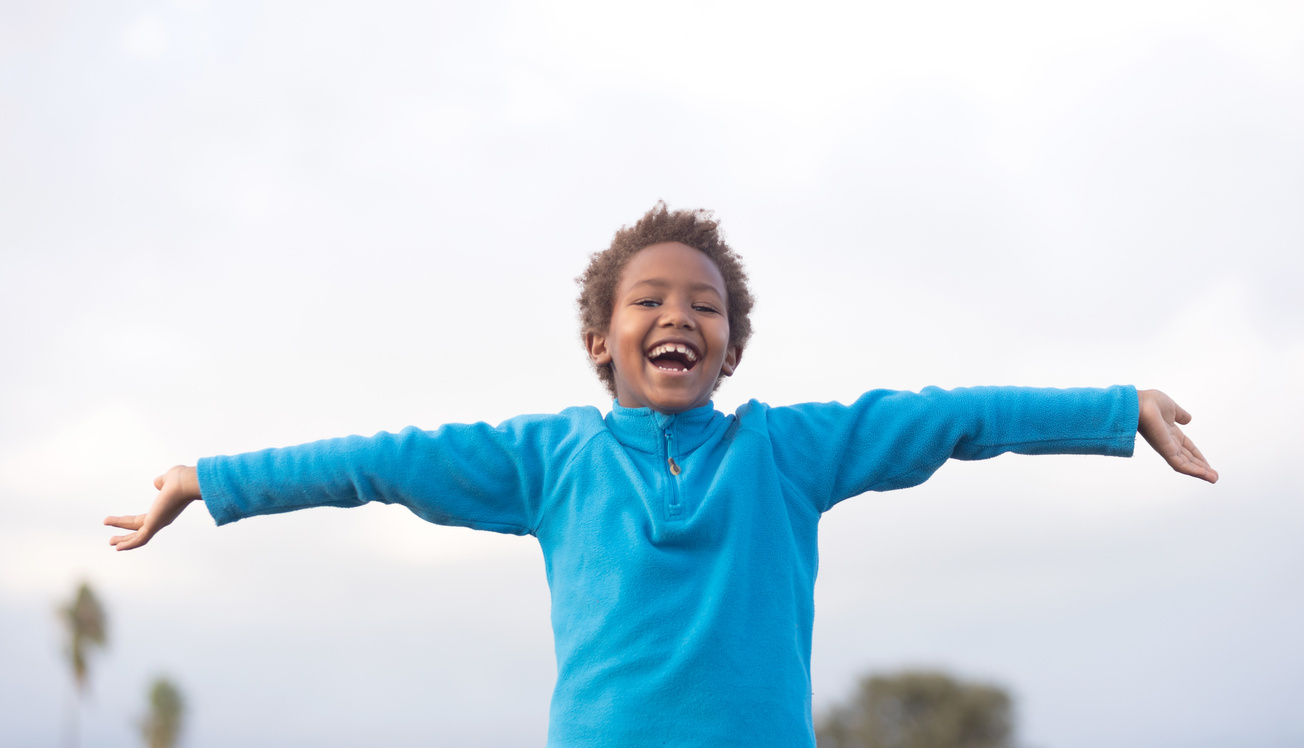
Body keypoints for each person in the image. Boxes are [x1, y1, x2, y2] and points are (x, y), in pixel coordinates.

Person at [105, 203, 1217, 747]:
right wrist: (209, 477)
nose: (677, 314)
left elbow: (947, 420)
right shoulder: (545, 460)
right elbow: (375, 464)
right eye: (649, 300)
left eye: (705, 306)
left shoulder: (787, 451)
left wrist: (1114, 411)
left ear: (731, 348)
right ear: (600, 338)